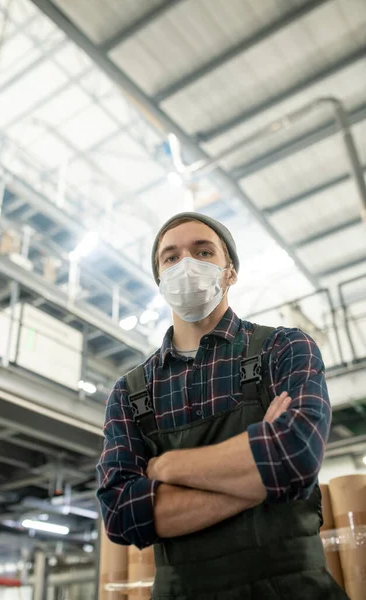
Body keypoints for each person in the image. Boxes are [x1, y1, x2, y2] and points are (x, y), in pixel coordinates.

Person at [97, 212, 348, 599]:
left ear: (230, 271)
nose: (187, 265)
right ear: (160, 279)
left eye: (203, 252)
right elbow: (121, 514)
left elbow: (295, 456)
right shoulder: (130, 392)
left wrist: (167, 468)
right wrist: (262, 471)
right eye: (171, 257)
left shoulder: (283, 349)